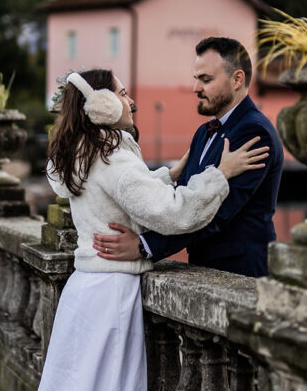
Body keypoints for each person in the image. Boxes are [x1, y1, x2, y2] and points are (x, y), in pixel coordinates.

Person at [2, 68, 268, 391]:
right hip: (108, 298)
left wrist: (169, 171)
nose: (132, 101)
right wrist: (218, 175)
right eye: (122, 93)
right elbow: (173, 215)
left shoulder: (80, 153)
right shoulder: (114, 154)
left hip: (85, 292)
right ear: (102, 105)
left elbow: (121, 193)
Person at [92, 37, 284, 277]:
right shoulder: (203, 132)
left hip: (241, 272)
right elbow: (182, 199)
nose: (196, 88)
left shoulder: (254, 132)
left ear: (237, 79)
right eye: (197, 79)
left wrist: (145, 246)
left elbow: (216, 214)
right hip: (203, 268)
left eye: (206, 80)